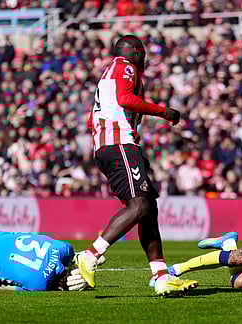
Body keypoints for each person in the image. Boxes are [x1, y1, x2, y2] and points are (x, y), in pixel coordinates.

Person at [78, 34, 197, 296]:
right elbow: (126, 99)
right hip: (119, 144)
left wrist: (127, 130)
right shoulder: (126, 66)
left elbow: (92, 119)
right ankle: (90, 255)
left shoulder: (107, 74)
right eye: (142, 53)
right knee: (139, 205)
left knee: (148, 208)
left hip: (113, 144)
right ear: (136, 51)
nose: (144, 58)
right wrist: (164, 112)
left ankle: (161, 275)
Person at [0, 232, 104, 291]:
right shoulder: (38, 285)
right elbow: (6, 287)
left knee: (17, 237)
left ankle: (83, 256)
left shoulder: (64, 248)